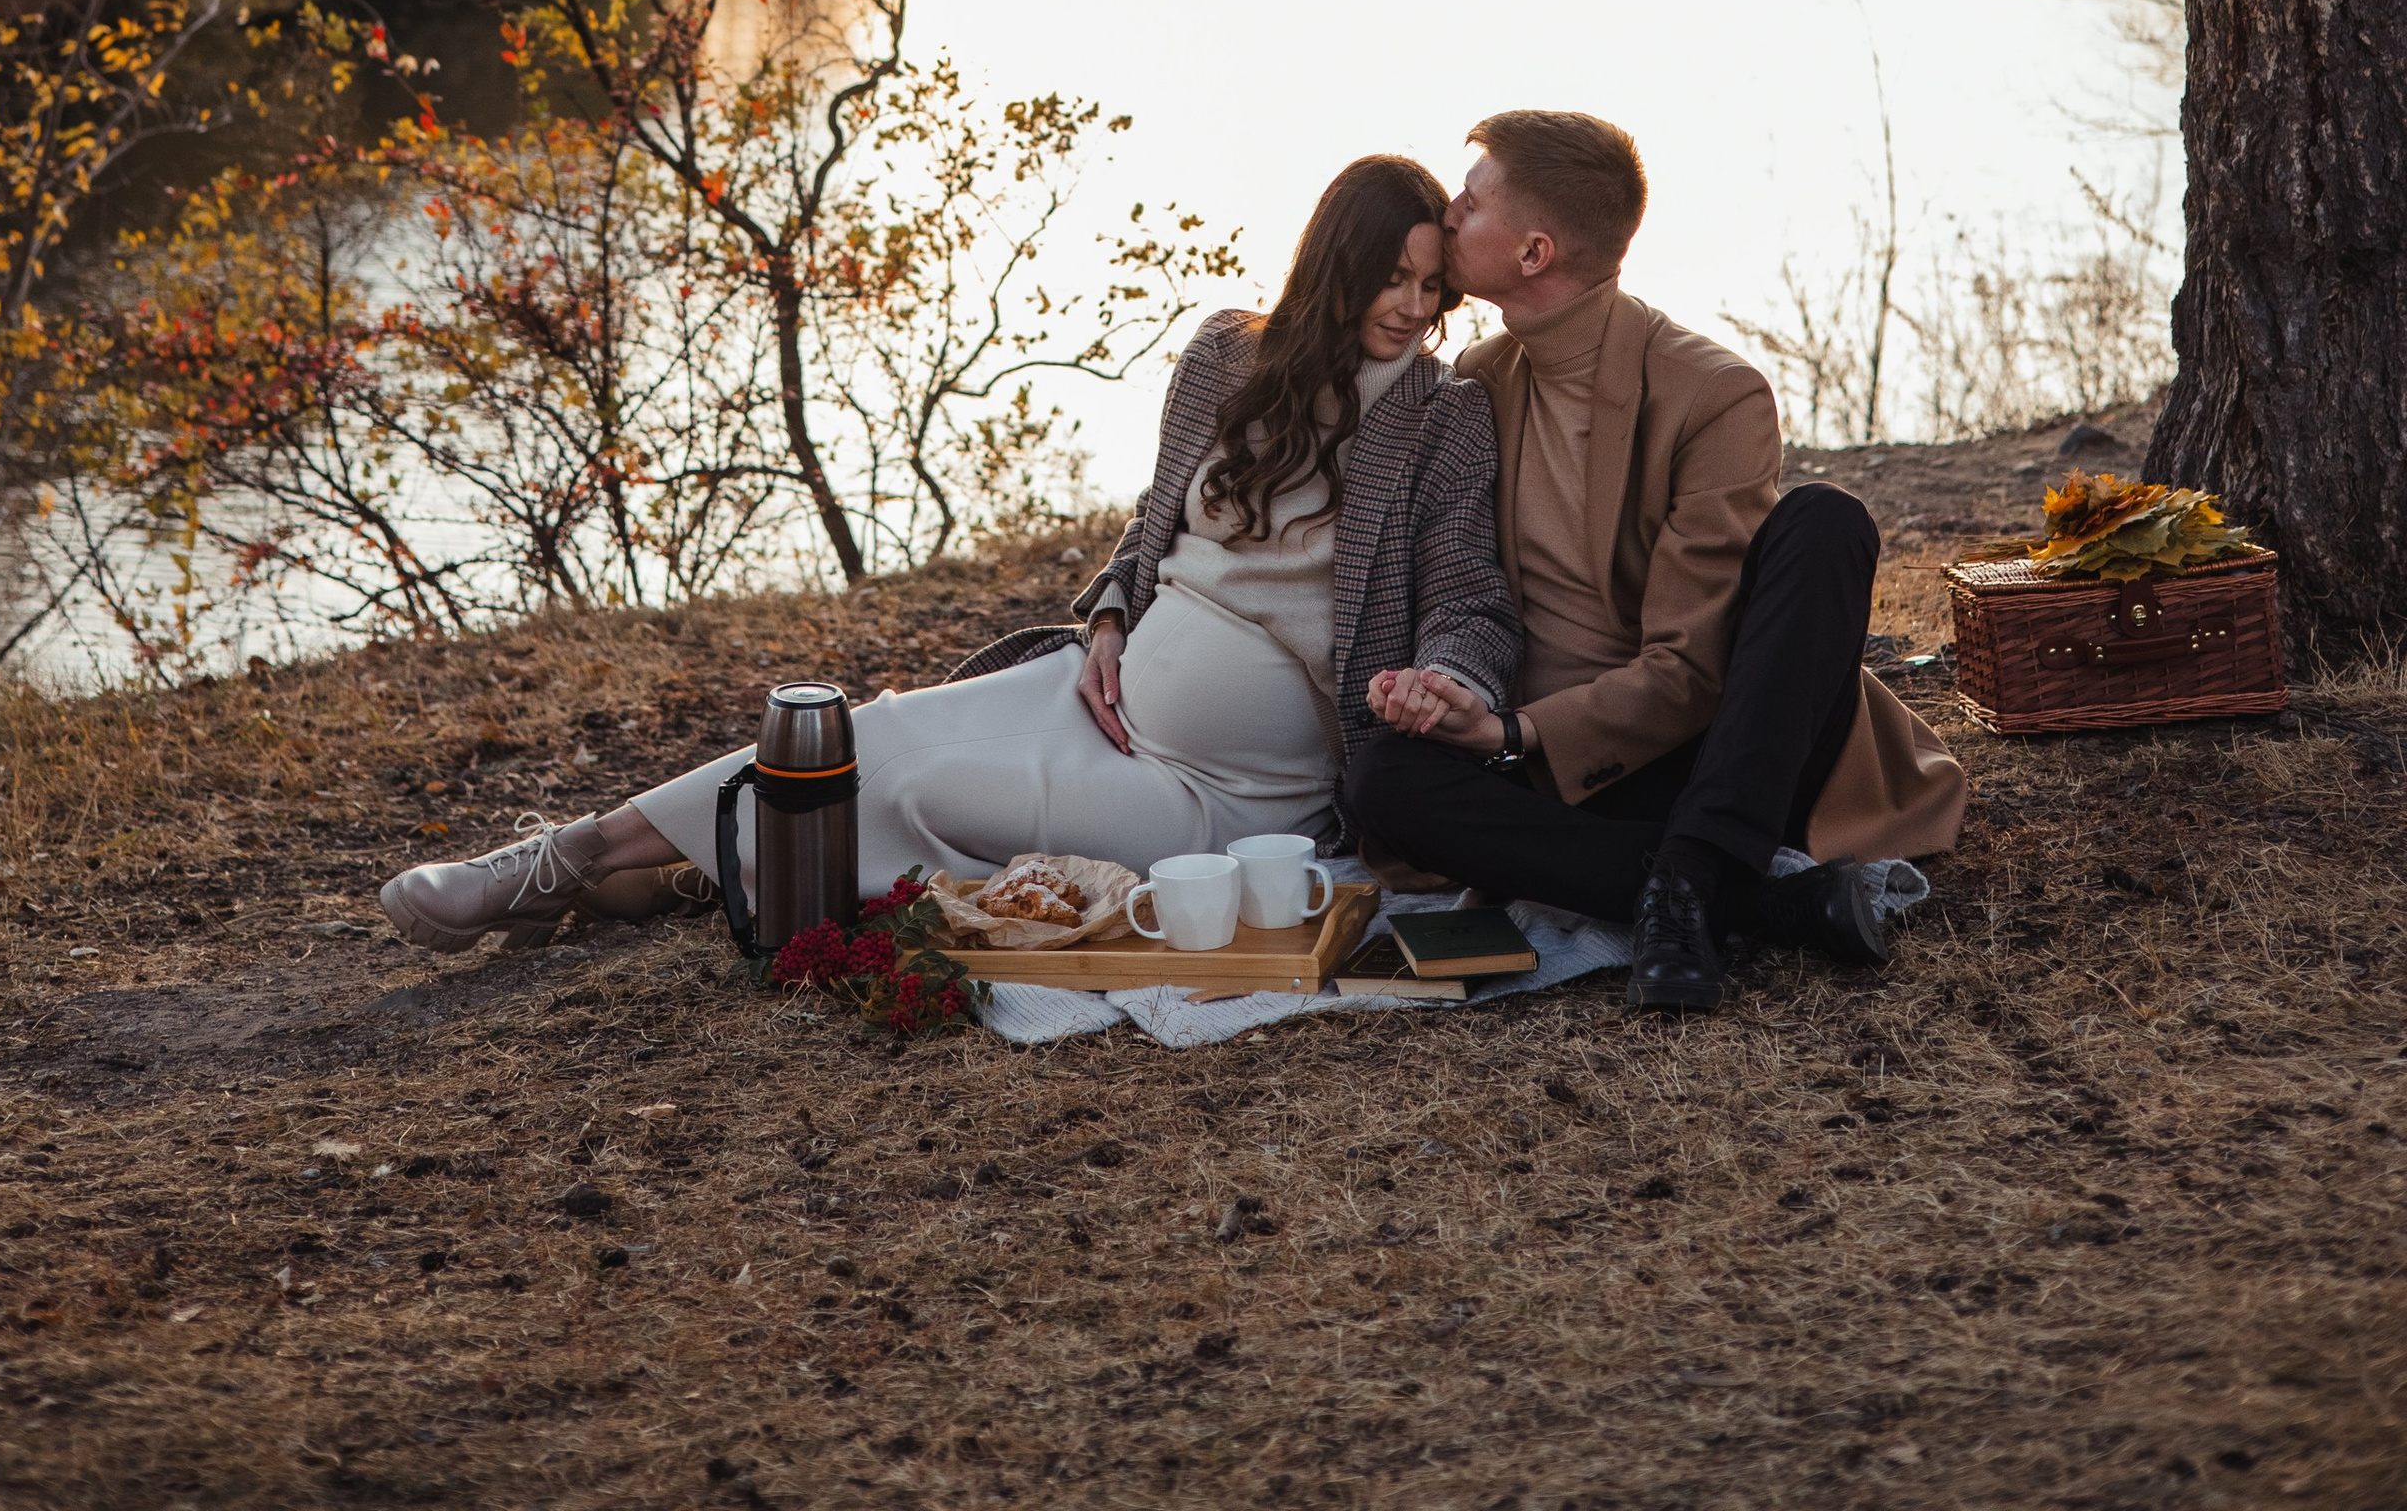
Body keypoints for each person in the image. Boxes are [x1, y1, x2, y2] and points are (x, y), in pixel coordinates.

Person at [376, 151, 1520, 951]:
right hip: (1094, 701)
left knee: (925, 785)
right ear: (1334, 263)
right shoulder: (1227, 356)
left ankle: (684, 870)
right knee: (857, 735)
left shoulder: (1437, 416)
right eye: (1392, 277)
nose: (1413, 306)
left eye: (1432, 285)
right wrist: (1110, 620)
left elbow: (1470, 595)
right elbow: (1149, 530)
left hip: (1225, 793)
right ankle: (558, 862)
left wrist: (1451, 684)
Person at [1344, 107, 1967, 1017]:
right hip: (1552, 768)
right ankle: (1741, 898)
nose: (1445, 214)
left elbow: (1688, 673)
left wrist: (1516, 735)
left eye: (1469, 203)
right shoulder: (1477, 380)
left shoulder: (1713, 395)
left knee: (1825, 522)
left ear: (1534, 253)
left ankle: (1694, 866)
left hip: (1722, 752)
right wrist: (1468, 706)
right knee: (1381, 783)